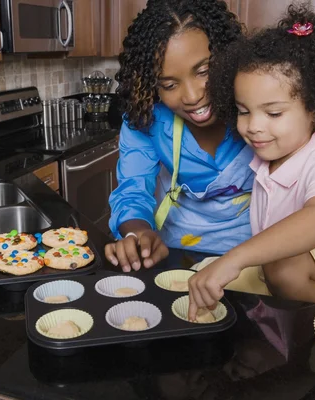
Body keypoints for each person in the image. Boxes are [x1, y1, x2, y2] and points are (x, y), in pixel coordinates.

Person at [188, 5, 315, 319]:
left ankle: (308, 344)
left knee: (281, 267)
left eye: (274, 113)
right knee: (203, 274)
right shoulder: (272, 152)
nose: (254, 126)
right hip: (286, 270)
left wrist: (236, 258)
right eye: (244, 110)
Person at [105, 0, 255, 273]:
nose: (193, 96)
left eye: (204, 71)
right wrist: (136, 233)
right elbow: (133, 189)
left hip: (257, 255)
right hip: (179, 253)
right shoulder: (146, 118)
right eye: (170, 85)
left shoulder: (261, 108)